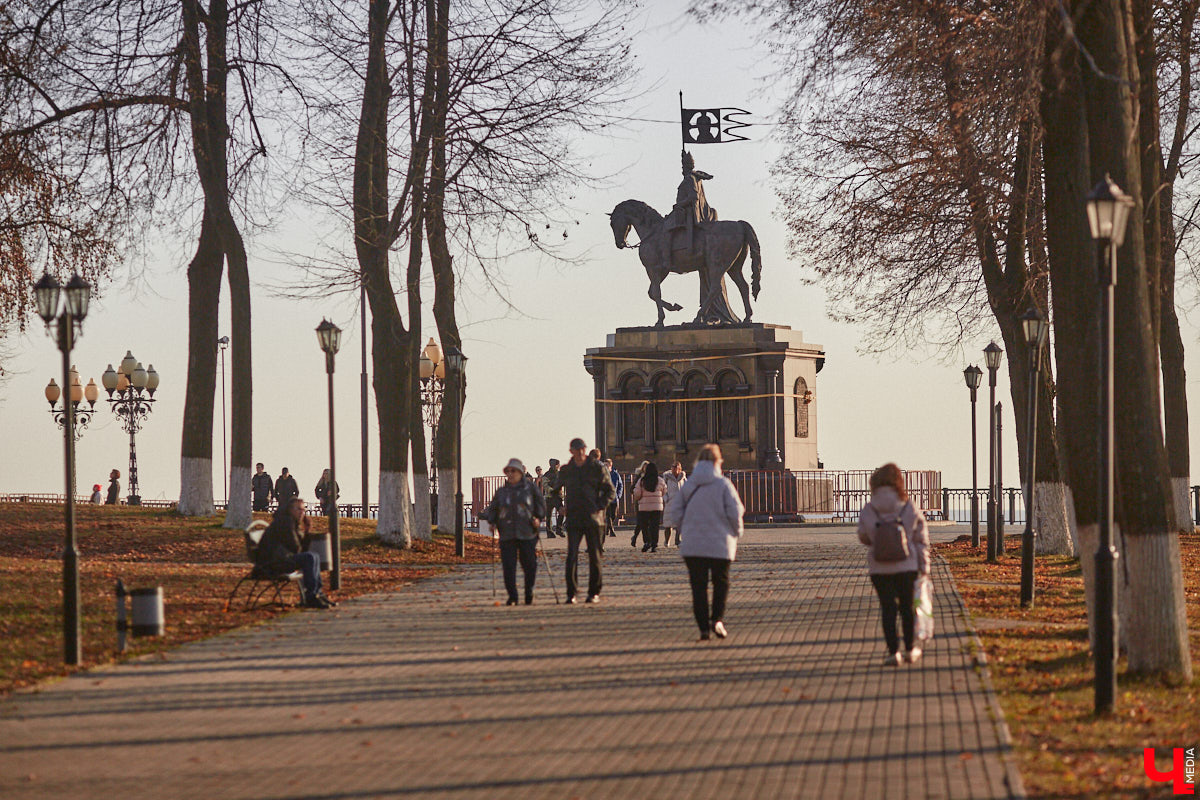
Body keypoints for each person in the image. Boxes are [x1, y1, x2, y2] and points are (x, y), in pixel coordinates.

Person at [664, 444, 744, 641]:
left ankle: (703, 628)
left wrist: (685, 530)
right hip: (720, 543)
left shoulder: (689, 485)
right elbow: (735, 513)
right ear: (718, 462)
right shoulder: (724, 485)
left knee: (698, 587)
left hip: (694, 545)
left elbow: (675, 511)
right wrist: (736, 533)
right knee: (720, 583)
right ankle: (717, 619)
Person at [857, 463, 930, 666]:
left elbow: (863, 536)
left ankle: (892, 652)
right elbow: (921, 539)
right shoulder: (908, 506)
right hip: (907, 566)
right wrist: (924, 568)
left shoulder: (870, 508)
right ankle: (909, 649)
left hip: (879, 567)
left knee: (887, 608)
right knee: (907, 608)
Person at [554, 437, 615, 604]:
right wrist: (560, 506)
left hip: (594, 519)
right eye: (577, 449)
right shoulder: (567, 470)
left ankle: (593, 592)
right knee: (571, 555)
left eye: (582, 449)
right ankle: (571, 593)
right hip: (574, 518)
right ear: (571, 451)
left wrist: (599, 506)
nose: (580, 452)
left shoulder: (596, 468)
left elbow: (610, 491)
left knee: (594, 556)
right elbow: (555, 491)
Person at [479, 458, 545, 606]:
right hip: (507, 533)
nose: (510, 474)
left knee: (530, 565)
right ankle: (512, 596)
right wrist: (492, 521)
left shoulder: (530, 489)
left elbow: (540, 505)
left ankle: (529, 592)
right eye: (508, 471)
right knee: (508, 566)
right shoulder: (502, 492)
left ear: (520, 472)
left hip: (527, 532)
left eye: (513, 471)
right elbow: (494, 508)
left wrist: (538, 518)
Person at [255, 497, 335, 609]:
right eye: (298, 509)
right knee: (310, 557)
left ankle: (317, 593)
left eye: (303, 510)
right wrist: (302, 536)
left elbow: (301, 549)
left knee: (314, 556)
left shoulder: (291, 522)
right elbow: (296, 548)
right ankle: (311, 596)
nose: (302, 513)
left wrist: (306, 532)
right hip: (272, 563)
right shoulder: (285, 522)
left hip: (280, 559)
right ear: (290, 510)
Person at [634, 462, 667, 552]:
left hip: (644, 507)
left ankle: (647, 541)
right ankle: (654, 544)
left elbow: (637, 493)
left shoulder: (642, 481)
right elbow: (664, 491)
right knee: (655, 526)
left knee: (645, 526)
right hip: (657, 507)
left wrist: (639, 498)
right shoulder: (660, 480)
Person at [661, 461, 687, 547]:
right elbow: (663, 489)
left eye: (676, 467)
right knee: (668, 524)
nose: (674, 469)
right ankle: (667, 540)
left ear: (679, 469)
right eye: (673, 467)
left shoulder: (683, 478)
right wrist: (666, 499)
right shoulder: (667, 477)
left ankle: (677, 540)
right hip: (670, 502)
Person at [628, 460, 649, 547]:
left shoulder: (651, 477)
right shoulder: (639, 477)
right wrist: (638, 493)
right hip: (640, 501)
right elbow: (632, 489)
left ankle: (644, 540)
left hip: (648, 501)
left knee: (646, 522)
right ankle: (636, 537)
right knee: (640, 521)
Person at [542, 459, 563, 538]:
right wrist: (552, 490)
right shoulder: (547, 475)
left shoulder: (559, 474)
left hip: (556, 496)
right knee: (549, 515)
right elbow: (545, 485)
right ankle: (552, 531)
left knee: (560, 513)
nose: (558, 466)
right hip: (552, 496)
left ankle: (557, 529)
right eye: (558, 464)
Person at [603, 458, 623, 539]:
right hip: (605, 497)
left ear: (610, 465)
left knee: (613, 515)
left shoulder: (615, 474)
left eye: (606, 465)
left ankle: (608, 527)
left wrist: (618, 495)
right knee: (607, 515)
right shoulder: (602, 474)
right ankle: (612, 530)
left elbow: (620, 485)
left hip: (614, 498)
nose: (605, 466)